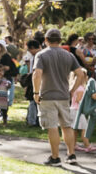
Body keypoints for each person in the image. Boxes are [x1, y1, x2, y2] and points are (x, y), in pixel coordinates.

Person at [32, 27, 84, 165]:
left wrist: (36, 93)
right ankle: (71, 154)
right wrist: (72, 90)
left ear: (46, 40)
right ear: (60, 40)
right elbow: (80, 74)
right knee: (66, 126)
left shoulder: (41, 55)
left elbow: (37, 75)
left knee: (52, 127)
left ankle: (55, 157)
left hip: (47, 95)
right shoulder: (69, 55)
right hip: (63, 95)